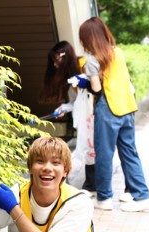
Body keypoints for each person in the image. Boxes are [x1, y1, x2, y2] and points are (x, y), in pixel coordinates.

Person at [75, 17, 149, 212]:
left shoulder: (92, 60)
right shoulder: (117, 52)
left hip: (108, 108)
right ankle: (141, 195)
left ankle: (104, 198)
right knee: (129, 152)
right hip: (127, 107)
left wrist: (83, 82)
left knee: (104, 154)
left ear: (88, 38)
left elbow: (96, 87)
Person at [39, 41, 96, 195]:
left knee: (91, 149)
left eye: (57, 60)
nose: (55, 65)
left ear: (65, 56)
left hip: (96, 115)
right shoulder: (70, 78)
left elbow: (95, 89)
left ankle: (94, 186)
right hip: (86, 119)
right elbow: (75, 101)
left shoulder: (84, 65)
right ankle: (91, 185)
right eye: (53, 62)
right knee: (88, 149)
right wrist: (64, 108)